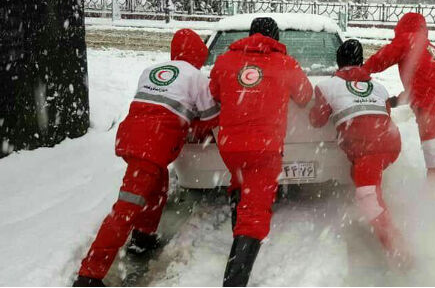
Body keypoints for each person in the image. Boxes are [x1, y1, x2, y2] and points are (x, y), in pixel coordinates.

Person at [73, 29, 220, 287]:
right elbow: (211, 118)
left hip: (132, 138)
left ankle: (143, 238)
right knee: (125, 209)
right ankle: (89, 275)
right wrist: (196, 128)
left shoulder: (152, 70)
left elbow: (155, 104)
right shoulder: (195, 76)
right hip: (153, 144)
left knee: (158, 187)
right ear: (199, 53)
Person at [209, 17, 313, 287]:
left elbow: (215, 93)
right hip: (264, 148)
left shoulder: (224, 60)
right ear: (275, 39)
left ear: (250, 34)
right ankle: (234, 281)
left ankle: (238, 232)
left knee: (239, 183)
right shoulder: (286, 64)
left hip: (230, 146)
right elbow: (305, 95)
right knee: (255, 214)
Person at [363, 12, 435, 224]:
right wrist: (395, 101)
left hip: (433, 111)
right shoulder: (427, 47)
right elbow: (423, 84)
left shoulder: (408, 39)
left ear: (402, 27)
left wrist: (362, 71)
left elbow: (383, 57)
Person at [308, 39, 411, 266]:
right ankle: (381, 218)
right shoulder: (380, 87)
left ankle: (402, 255)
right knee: (366, 182)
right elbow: (383, 115)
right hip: (390, 144)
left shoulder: (326, 86)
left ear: (338, 62)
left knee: (368, 199)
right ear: (360, 62)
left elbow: (317, 120)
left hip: (366, 148)